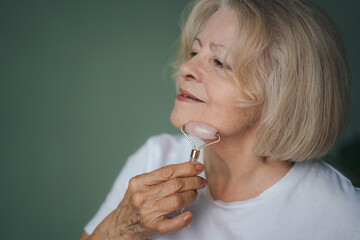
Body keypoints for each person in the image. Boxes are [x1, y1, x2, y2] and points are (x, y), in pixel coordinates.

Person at [78, 0, 360, 239]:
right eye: (194, 52)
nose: (187, 67)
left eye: (219, 62)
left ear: (283, 92)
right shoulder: (155, 158)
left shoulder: (341, 215)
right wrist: (119, 227)